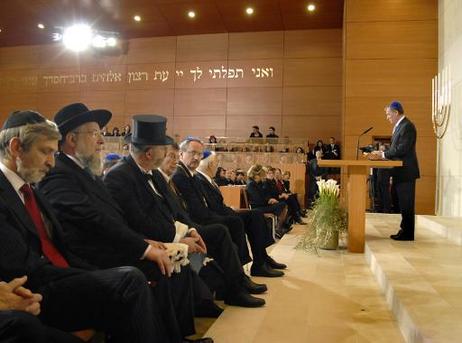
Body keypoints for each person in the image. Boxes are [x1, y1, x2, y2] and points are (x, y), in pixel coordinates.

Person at [37, 103, 212, 342]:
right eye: (95, 133)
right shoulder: (58, 173)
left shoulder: (87, 172)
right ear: (71, 139)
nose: (101, 140)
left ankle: (175, 336)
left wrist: (146, 242)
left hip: (109, 248)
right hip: (90, 257)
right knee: (154, 268)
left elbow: (115, 216)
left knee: (172, 260)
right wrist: (144, 248)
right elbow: (94, 221)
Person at [0, 110, 177, 342]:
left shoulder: (31, 190)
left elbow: (62, 246)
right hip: (35, 290)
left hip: (59, 277)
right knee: (129, 280)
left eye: (53, 153)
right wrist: (90, 274)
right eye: (45, 152)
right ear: (16, 148)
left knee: (132, 280)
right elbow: (23, 265)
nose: (51, 162)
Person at [172, 139, 284, 277]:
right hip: (200, 220)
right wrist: (230, 213)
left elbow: (208, 205)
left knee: (254, 215)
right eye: (193, 153)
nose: (196, 157)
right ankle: (241, 272)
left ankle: (261, 259)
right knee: (236, 221)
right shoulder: (184, 176)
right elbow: (203, 209)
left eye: (199, 154)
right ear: (181, 154)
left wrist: (230, 211)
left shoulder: (192, 175)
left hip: (209, 215)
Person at [369, 101, 420, 241]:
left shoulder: (407, 126)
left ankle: (408, 233)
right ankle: (404, 231)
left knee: (407, 204)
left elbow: (403, 149)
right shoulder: (399, 126)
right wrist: (384, 151)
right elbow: (396, 148)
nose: (387, 117)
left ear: (396, 112)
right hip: (399, 171)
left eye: (388, 114)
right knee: (402, 204)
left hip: (406, 172)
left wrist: (383, 155)